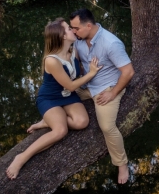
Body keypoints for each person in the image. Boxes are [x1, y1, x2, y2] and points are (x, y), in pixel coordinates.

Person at [6, 18, 101, 179]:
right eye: (68, 29)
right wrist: (92, 73)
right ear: (63, 36)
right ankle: (21, 157)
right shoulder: (51, 60)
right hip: (50, 98)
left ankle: (48, 121)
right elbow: (71, 86)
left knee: (82, 122)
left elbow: (76, 75)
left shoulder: (74, 51)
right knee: (60, 130)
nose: (73, 30)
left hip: (68, 97)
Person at [69, 8, 135, 184]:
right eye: (71, 28)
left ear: (88, 25)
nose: (73, 32)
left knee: (106, 127)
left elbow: (128, 72)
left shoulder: (111, 43)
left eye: (76, 28)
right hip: (87, 85)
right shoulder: (79, 40)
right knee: (61, 92)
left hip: (107, 87)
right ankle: (48, 121)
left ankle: (121, 164)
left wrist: (113, 93)